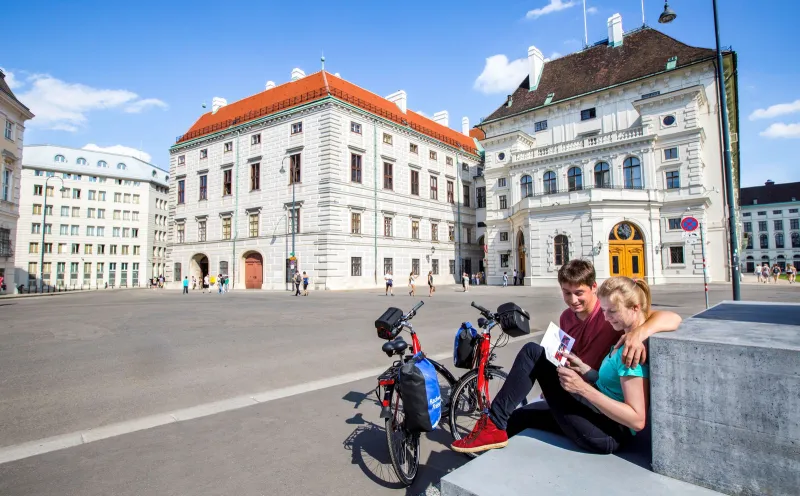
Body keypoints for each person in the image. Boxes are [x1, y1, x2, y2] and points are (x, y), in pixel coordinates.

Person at [452, 260, 682, 455]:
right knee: (519, 417)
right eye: (566, 293)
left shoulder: (620, 332)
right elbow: (574, 364)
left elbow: (670, 318)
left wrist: (640, 333)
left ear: (593, 287)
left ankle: (491, 425)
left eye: (579, 293)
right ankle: (486, 452)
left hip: (603, 421)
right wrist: (576, 369)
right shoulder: (571, 317)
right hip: (584, 397)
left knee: (533, 352)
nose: (573, 300)